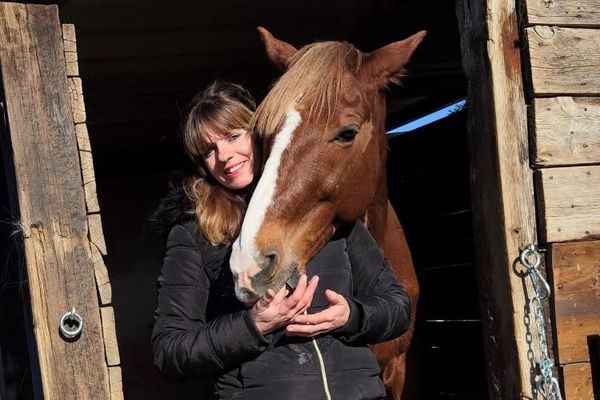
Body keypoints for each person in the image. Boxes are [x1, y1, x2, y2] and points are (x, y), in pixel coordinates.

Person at [151, 80, 411, 400]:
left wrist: (352, 315)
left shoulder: (326, 210)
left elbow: (397, 308)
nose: (225, 156)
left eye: (234, 137)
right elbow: (170, 350)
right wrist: (253, 325)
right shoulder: (195, 234)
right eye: (209, 150)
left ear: (260, 134)